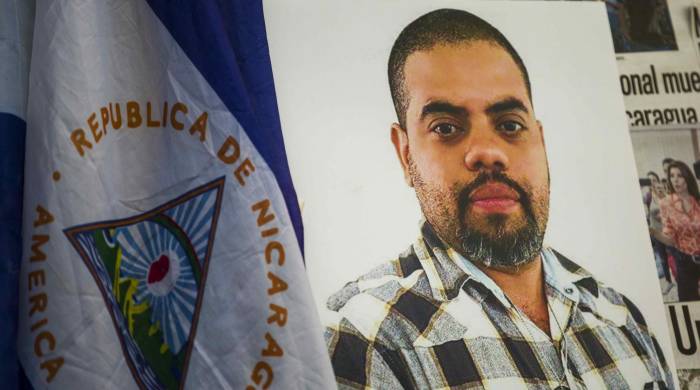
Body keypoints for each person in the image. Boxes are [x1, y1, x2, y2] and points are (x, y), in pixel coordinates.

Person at [324, 9, 671, 389]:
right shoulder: (364, 338)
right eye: (446, 127)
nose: (488, 151)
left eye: (509, 125)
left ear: (540, 140)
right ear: (405, 154)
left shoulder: (621, 318)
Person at [658, 161, 700, 301]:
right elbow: (669, 237)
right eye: (672, 176)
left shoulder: (697, 200)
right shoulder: (666, 203)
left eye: (680, 175)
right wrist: (652, 232)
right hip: (685, 260)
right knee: (689, 302)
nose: (675, 179)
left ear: (687, 177)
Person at [647, 171, 673, 295]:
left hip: (667, 232)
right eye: (649, 180)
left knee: (674, 257)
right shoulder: (647, 196)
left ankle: (679, 279)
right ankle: (669, 282)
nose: (651, 182)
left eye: (653, 179)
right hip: (656, 234)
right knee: (663, 260)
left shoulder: (664, 193)